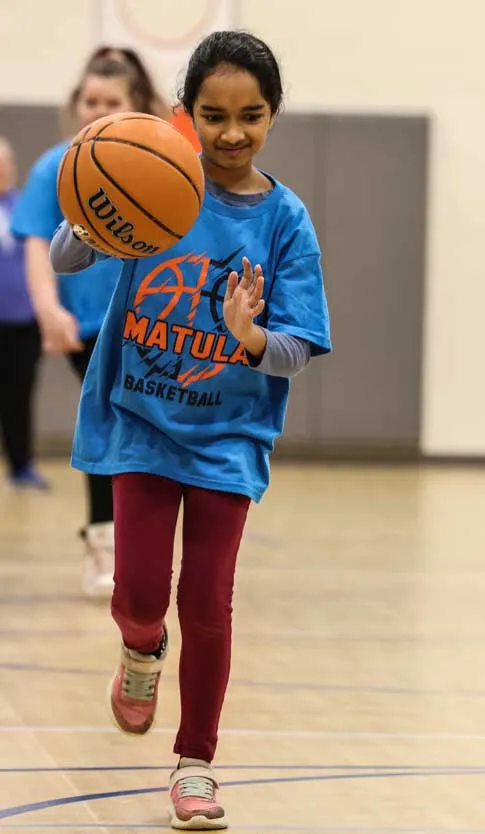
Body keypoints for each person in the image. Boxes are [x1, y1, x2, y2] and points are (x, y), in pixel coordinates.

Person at [50, 30, 331, 830]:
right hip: (140, 420)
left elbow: (296, 349)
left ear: (273, 115)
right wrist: (96, 195)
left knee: (205, 596)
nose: (232, 132)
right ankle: (141, 649)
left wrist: (250, 339)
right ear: (188, 114)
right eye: (213, 115)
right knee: (141, 595)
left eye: (250, 115)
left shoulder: (284, 220)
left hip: (228, 435)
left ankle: (197, 763)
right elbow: (72, 257)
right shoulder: (158, 180)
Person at [11, 55, 163, 598]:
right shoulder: (55, 167)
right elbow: (33, 239)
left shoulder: (159, 165)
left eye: (111, 102)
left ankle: (140, 538)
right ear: (76, 106)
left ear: (136, 108)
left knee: (140, 425)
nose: (98, 111)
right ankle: (104, 539)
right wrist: (48, 308)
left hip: (146, 317)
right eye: (90, 102)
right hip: (87, 323)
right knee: (110, 419)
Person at [0, 138, 49, 490]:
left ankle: (22, 466)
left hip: (23, 322)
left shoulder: (26, 206)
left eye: (7, 160)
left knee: (19, 394)